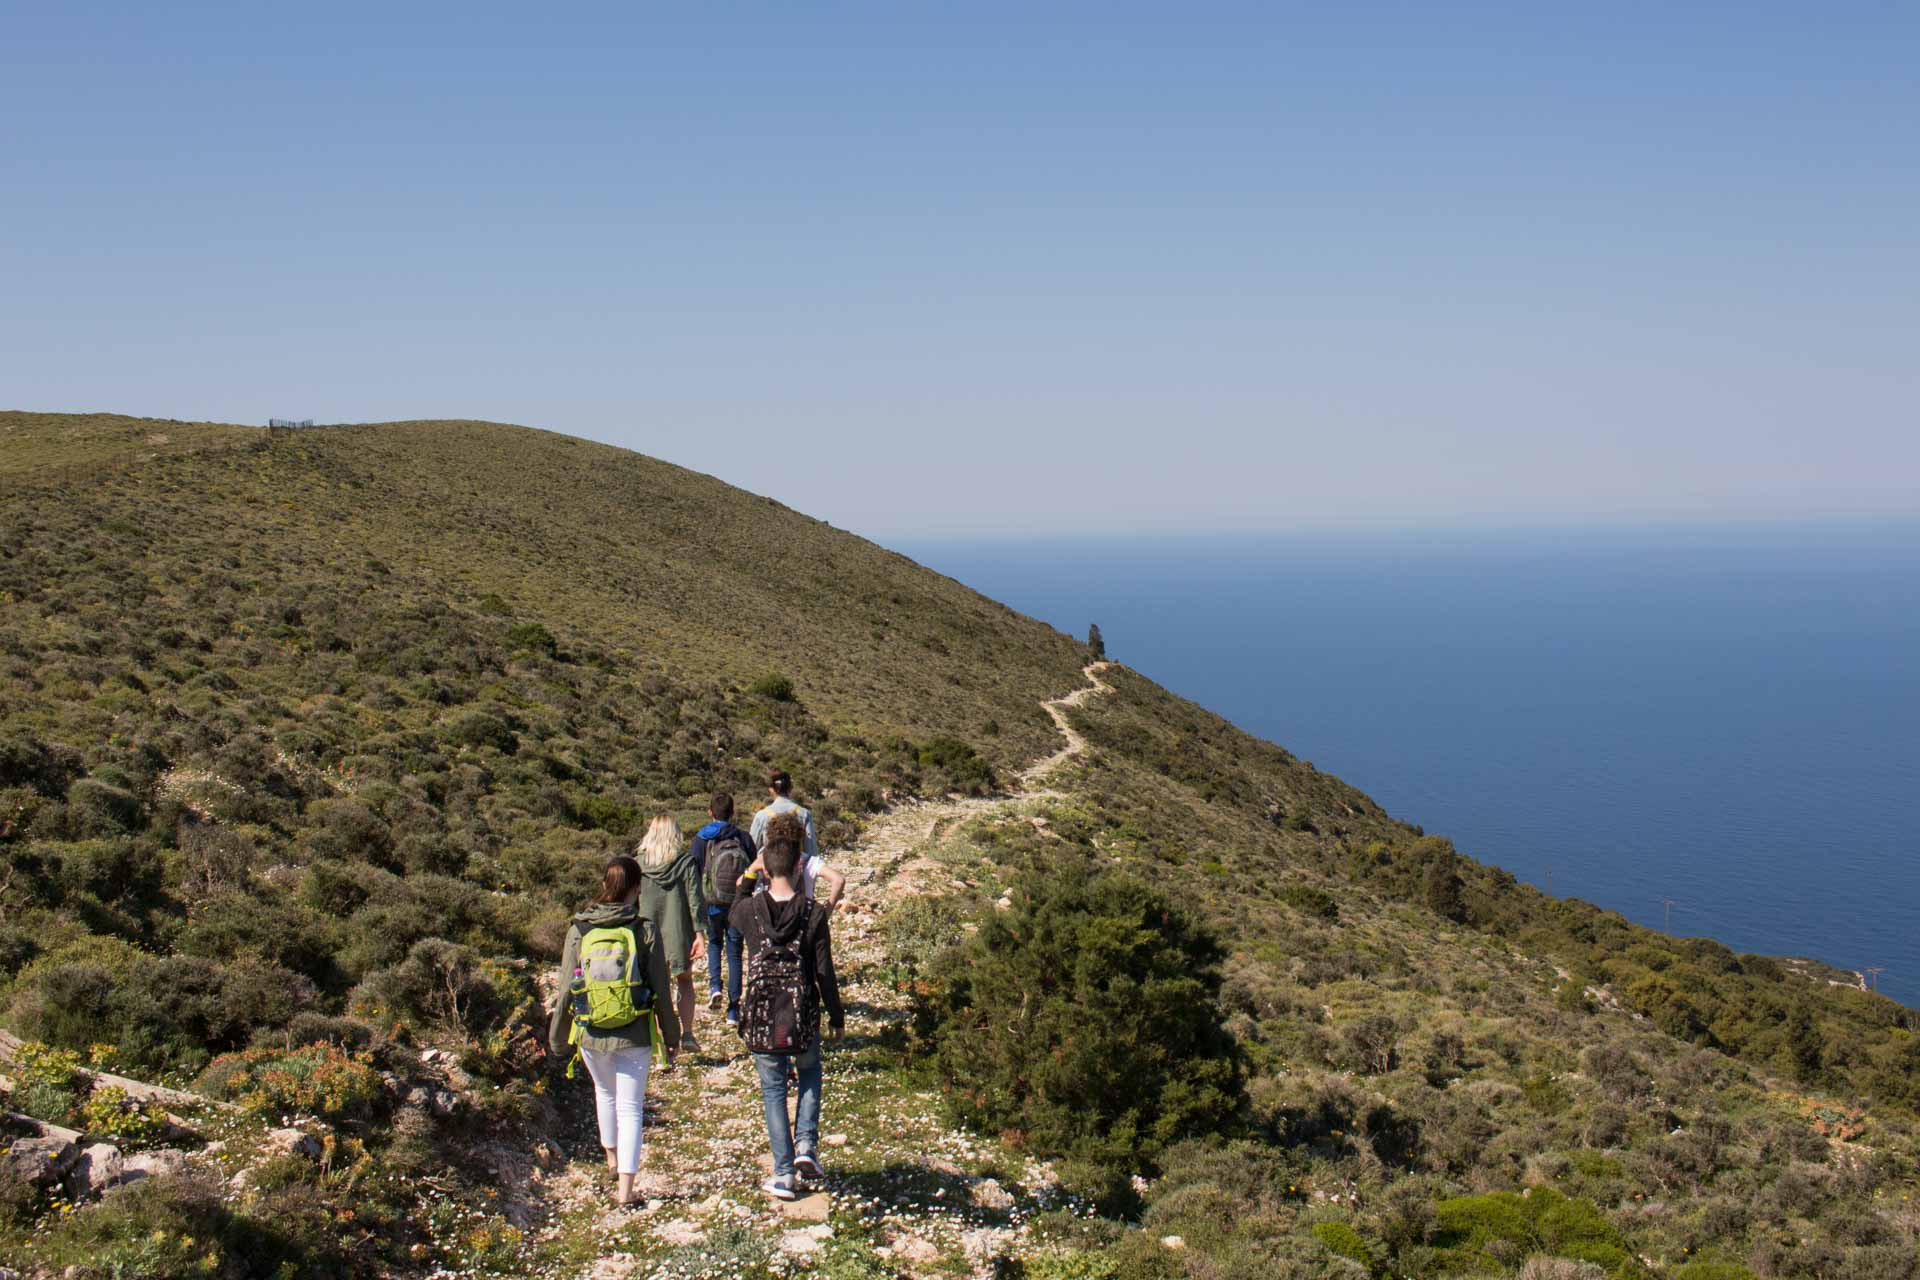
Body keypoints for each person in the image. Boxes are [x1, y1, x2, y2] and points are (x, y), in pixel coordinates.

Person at [548, 854, 679, 1207]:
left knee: (604, 1094)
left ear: (605, 885)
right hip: (634, 1032)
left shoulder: (580, 929)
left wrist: (557, 1038)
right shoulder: (644, 929)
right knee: (631, 1108)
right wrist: (672, 1036)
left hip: (590, 1031)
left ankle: (611, 1157)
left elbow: (564, 990)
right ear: (637, 889)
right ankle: (626, 1191)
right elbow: (663, 991)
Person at [731, 821, 845, 1201]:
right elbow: (824, 971)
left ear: (766, 868)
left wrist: (750, 874)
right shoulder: (814, 913)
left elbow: (732, 907)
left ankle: (782, 1173)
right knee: (810, 1070)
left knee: (773, 1090)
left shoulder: (749, 910)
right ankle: (807, 1145)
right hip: (802, 1013)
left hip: (762, 1014)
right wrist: (837, 1015)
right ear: (799, 866)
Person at [636, 814, 704, 1057]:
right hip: (678, 932)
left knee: (655, 988)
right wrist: (699, 934)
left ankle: (661, 1045)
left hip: (647, 935)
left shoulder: (638, 865)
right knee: (684, 981)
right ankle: (687, 1033)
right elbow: (695, 900)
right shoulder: (685, 863)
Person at [689, 792, 755, 1028]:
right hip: (738, 902)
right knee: (735, 951)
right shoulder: (743, 837)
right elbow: (754, 868)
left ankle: (715, 986)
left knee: (715, 943)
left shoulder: (701, 839)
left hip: (712, 902)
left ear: (710, 812)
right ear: (732, 812)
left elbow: (694, 872)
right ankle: (733, 1009)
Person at [744, 772, 846, 912]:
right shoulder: (804, 814)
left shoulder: (761, 816)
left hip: (769, 874)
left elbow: (752, 849)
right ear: (791, 788)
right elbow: (811, 850)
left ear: (771, 789)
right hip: (797, 874)